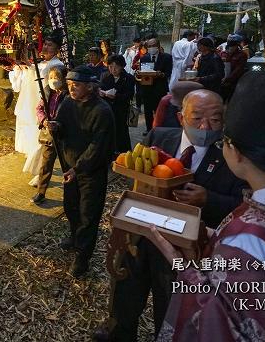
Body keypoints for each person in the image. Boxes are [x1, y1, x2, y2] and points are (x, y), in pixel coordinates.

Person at [149, 71, 265, 341]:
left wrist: (183, 266)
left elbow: (217, 320)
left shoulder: (246, 241)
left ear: (234, 151)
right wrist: (217, 239)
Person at [96, 89, 248, 341]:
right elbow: (136, 174)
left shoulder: (231, 158)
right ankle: (117, 331)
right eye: (197, 117)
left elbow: (242, 206)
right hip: (141, 231)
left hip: (184, 247)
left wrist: (208, 199)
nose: (205, 126)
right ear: (180, 118)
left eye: (215, 119)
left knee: (170, 300)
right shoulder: (159, 137)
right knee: (126, 288)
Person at [47, 66, 115, 278]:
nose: (71, 89)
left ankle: (82, 256)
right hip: (70, 167)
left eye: (75, 85)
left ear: (90, 86)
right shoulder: (67, 103)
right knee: (71, 207)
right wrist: (55, 127)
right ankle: (75, 237)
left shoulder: (102, 111)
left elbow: (98, 146)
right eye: (69, 85)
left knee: (88, 214)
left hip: (90, 171)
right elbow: (62, 127)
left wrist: (79, 168)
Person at [9, 35, 65, 162]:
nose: (46, 47)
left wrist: (29, 64)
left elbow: (44, 77)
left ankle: (39, 166)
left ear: (57, 50)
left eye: (50, 45)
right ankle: (34, 160)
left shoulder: (57, 64)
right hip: (31, 100)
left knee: (40, 135)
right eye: (45, 44)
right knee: (30, 132)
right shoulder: (42, 62)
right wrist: (24, 66)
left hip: (46, 102)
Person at [24, 65, 68, 205]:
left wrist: (59, 124)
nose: (53, 80)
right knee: (46, 165)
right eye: (51, 78)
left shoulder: (68, 95)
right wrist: (44, 121)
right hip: (49, 135)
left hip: (64, 136)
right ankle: (41, 192)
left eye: (57, 78)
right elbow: (39, 108)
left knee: (67, 165)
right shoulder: (47, 92)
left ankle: (71, 193)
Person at [99, 54, 136, 153]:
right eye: (110, 67)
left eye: (116, 67)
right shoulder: (105, 76)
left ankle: (124, 153)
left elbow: (129, 94)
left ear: (122, 66)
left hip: (121, 109)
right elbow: (100, 88)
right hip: (107, 109)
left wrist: (116, 96)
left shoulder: (129, 78)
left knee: (122, 132)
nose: (113, 70)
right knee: (108, 131)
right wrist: (101, 93)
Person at [137, 37, 172, 133]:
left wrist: (161, 74)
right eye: (149, 46)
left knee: (159, 111)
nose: (151, 48)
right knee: (148, 111)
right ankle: (149, 130)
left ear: (158, 46)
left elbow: (168, 73)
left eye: (153, 46)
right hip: (147, 88)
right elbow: (143, 73)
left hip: (160, 88)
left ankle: (159, 129)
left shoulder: (167, 57)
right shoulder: (144, 58)